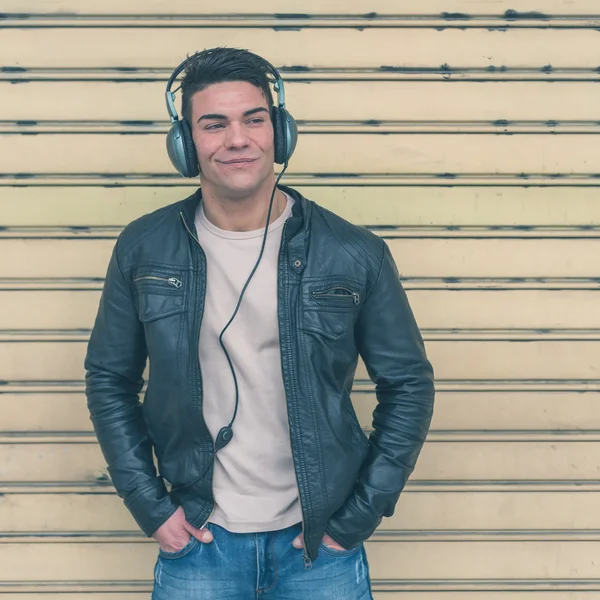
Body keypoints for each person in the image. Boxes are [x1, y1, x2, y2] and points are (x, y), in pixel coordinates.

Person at [85, 47, 435, 600]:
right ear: (185, 142)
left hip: (319, 546)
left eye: (254, 118)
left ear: (281, 131)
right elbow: (109, 378)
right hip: (200, 540)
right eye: (214, 124)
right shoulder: (144, 247)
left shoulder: (353, 252)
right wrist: (151, 508)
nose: (238, 139)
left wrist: (358, 518)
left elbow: (409, 384)